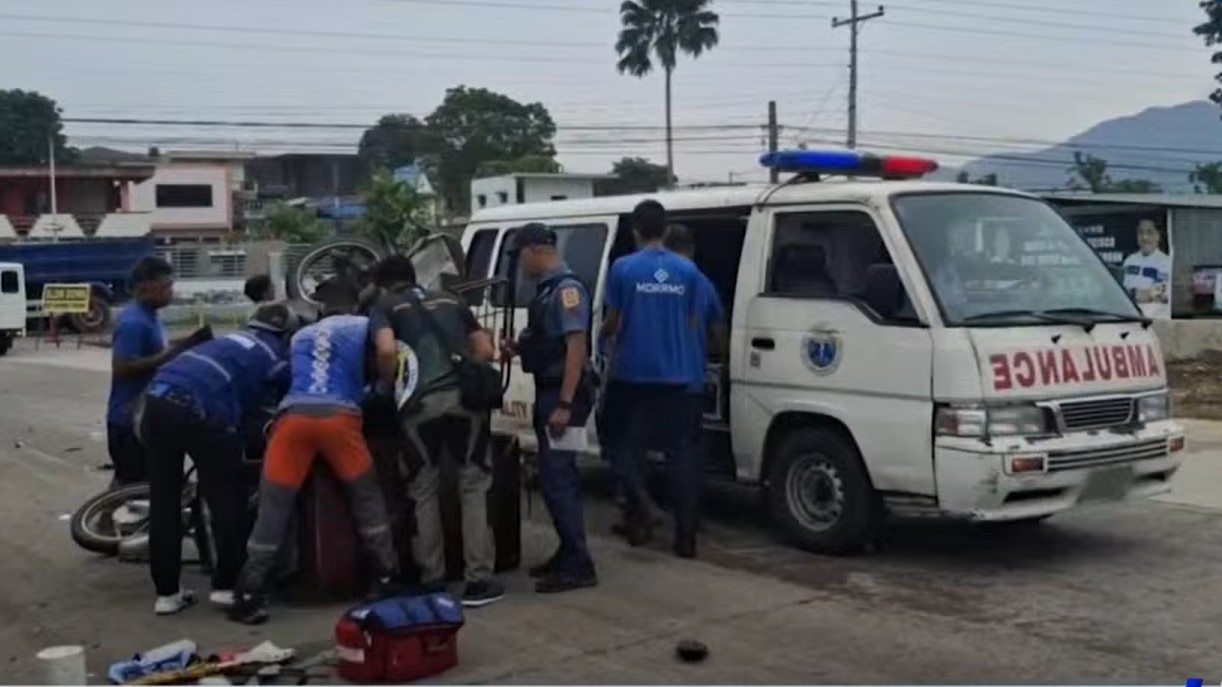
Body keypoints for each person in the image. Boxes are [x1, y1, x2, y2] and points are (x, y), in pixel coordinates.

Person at [229, 280, 400, 625]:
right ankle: (384, 576)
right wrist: (384, 386)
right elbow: (384, 356)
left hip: (293, 419)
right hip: (340, 419)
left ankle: (250, 589)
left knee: (273, 506)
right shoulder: (365, 324)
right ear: (355, 305)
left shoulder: (301, 335)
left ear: (321, 308)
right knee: (366, 498)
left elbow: (285, 375)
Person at [139, 302, 298, 615]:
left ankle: (167, 595)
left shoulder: (228, 340)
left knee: (164, 501)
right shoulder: (274, 355)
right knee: (228, 500)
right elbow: (285, 402)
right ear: (286, 334)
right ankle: (226, 587)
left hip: (155, 400)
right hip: (199, 409)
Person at [369, 256, 504, 608]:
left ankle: (433, 579)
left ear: (383, 284)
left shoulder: (386, 306)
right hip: (465, 403)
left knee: (423, 489)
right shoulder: (452, 300)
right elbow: (485, 350)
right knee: (474, 484)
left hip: (419, 407)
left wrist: (390, 384)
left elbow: (386, 349)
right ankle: (479, 580)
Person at [601, 201, 706, 558]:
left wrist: (600, 335)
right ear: (665, 229)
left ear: (635, 230)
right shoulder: (688, 271)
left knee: (624, 448)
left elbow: (614, 322)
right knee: (681, 457)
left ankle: (642, 512)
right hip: (678, 376)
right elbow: (692, 322)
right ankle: (686, 539)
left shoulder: (623, 267)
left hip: (633, 375)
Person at [501, 223, 598, 593]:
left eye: (520, 256)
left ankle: (579, 564)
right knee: (554, 478)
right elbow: (549, 343)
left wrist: (565, 404)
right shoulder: (547, 290)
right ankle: (568, 552)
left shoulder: (567, 290)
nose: (520, 265)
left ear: (535, 249)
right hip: (550, 391)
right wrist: (518, 348)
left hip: (563, 396)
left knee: (560, 480)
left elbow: (576, 346)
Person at [107, 256, 208, 486]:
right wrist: (168, 355)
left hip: (144, 417)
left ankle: (106, 510)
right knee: (135, 485)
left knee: (132, 484)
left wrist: (182, 345)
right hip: (129, 421)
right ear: (145, 287)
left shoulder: (150, 316)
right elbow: (121, 366)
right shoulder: (134, 322)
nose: (171, 292)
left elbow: (153, 350)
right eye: (166, 286)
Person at [1123, 218, 1171, 315]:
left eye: (1150, 232)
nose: (1145, 237)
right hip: (1131, 317)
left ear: (1158, 236)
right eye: (1141, 233)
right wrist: (1142, 294)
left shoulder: (1167, 262)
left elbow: (1162, 295)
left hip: (1156, 319)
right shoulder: (1129, 261)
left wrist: (1135, 293)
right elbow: (1122, 293)